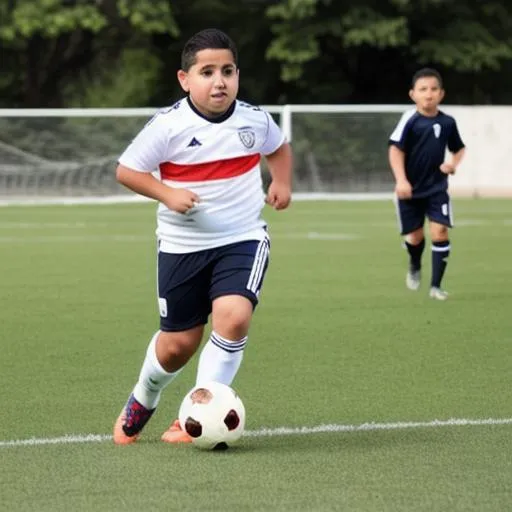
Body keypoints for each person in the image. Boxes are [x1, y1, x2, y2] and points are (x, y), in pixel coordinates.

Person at [113, 28, 292, 445]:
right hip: (182, 247)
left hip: (243, 238)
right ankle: (144, 397)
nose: (219, 81)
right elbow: (127, 170)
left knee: (234, 316)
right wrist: (167, 193)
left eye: (227, 71)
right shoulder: (169, 125)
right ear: (185, 79)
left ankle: (194, 415)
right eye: (207, 72)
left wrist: (281, 181)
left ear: (237, 75)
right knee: (178, 344)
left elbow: (278, 147)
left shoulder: (253, 118)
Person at [388, 67, 465, 300]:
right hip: (409, 190)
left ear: (441, 94)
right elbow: (395, 149)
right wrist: (401, 180)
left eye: (433, 89)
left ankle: (436, 287)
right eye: (423, 89)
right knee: (415, 237)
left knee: (440, 231)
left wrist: (452, 164)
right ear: (413, 94)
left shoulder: (448, 122)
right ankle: (414, 262)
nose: (428, 94)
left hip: (437, 188)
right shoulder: (409, 120)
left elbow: (459, 148)